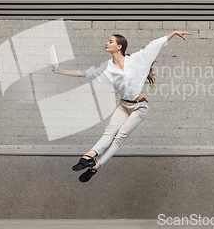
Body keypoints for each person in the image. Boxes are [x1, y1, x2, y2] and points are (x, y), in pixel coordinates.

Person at [51, 30, 192, 182]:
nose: (106, 43)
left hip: (140, 107)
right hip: (124, 105)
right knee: (109, 132)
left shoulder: (137, 59)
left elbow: (154, 45)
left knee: (119, 137)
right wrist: (59, 71)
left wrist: (174, 33)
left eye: (110, 41)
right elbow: (85, 73)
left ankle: (96, 166)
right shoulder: (107, 67)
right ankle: (90, 155)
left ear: (119, 46)